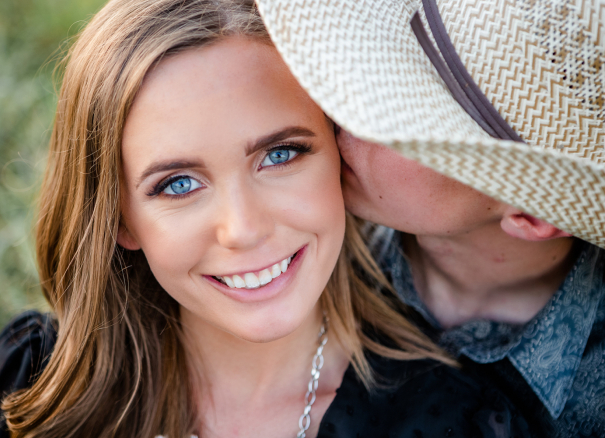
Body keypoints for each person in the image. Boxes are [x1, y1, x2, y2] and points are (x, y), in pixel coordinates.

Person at [0, 1, 533, 437]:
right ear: (120, 219)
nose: (243, 228)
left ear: (340, 159)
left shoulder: (454, 421)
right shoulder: (34, 384)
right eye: (177, 184)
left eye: (280, 155)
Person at [255, 0, 605, 436]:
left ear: (533, 215)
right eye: (372, 70)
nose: (343, 107)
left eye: (405, 117)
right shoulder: (293, 248)